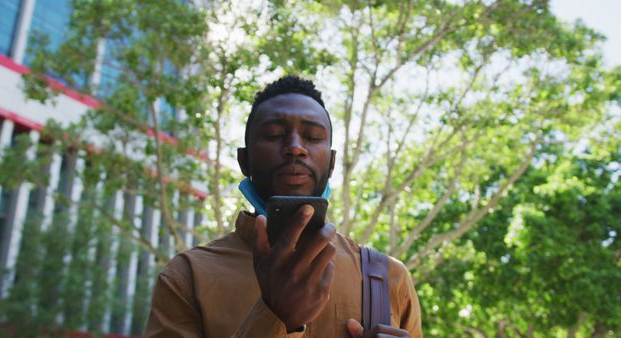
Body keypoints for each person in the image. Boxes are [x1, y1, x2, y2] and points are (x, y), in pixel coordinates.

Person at [145, 76, 422, 337]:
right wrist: (274, 315)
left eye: (312, 137)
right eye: (275, 135)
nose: (294, 148)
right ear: (244, 160)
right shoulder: (187, 276)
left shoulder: (388, 278)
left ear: (332, 163)